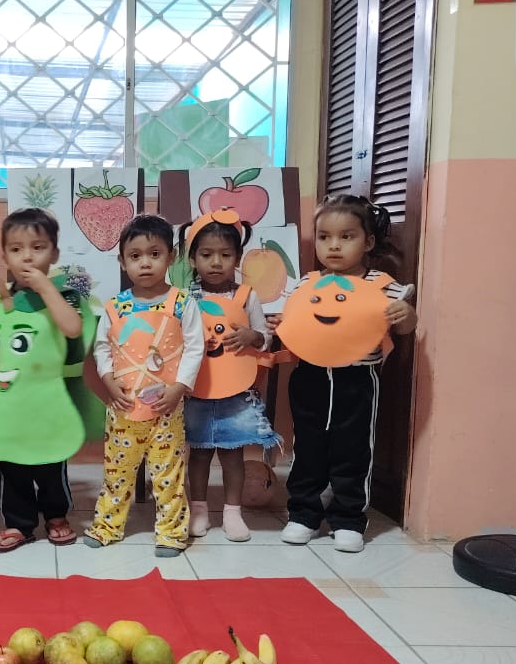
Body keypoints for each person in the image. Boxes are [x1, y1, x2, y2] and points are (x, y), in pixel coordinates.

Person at [275, 194, 418, 553]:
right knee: (307, 447)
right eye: (324, 237)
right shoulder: (304, 285)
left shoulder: (383, 285)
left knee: (353, 450)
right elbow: (290, 324)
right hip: (310, 376)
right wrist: (281, 324)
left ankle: (349, 518)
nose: (334, 245)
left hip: (357, 380)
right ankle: (303, 514)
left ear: (368, 242)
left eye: (346, 236)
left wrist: (406, 315)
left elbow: (404, 327)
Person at [0, 208, 85, 552]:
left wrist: (46, 290)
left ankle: (56, 516)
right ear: (5, 257)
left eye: (37, 247)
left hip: (46, 406)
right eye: (16, 249)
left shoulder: (64, 296)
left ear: (54, 253)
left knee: (50, 464)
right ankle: (19, 523)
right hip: (5, 406)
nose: (26, 256)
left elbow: (73, 328)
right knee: (11, 468)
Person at [84, 215, 203, 556]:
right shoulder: (115, 307)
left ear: (171, 257)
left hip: (167, 409)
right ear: (123, 261)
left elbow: (195, 348)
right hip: (122, 408)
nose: (145, 263)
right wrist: (109, 381)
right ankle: (108, 525)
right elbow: (102, 347)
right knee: (117, 472)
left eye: (154, 254)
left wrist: (179, 388)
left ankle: (171, 532)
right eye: (135, 256)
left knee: (168, 473)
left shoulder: (182, 303)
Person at [181, 215, 282, 542]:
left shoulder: (247, 297)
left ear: (237, 259)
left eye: (225, 255)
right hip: (196, 390)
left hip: (236, 390)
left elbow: (265, 338)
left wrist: (253, 336)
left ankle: (232, 512)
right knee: (198, 453)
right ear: (192, 259)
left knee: (232, 454)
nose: (216, 262)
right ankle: (198, 510)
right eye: (206, 254)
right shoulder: (184, 297)